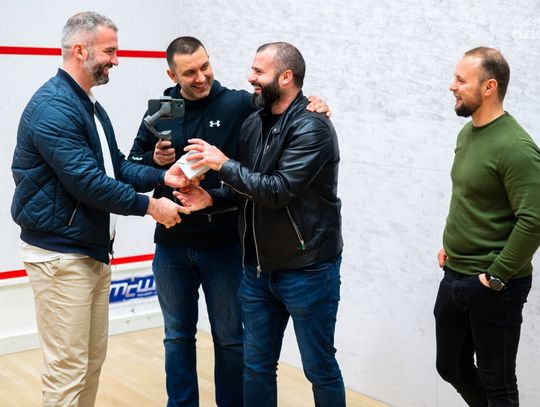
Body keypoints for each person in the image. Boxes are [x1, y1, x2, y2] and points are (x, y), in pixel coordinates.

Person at [128, 37, 330, 407]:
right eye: (190, 72)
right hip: (172, 244)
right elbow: (130, 168)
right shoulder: (163, 110)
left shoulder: (238, 103)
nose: (201, 77)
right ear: (172, 76)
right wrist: (155, 164)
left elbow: (283, 102)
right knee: (177, 338)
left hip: (224, 244)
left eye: (205, 66)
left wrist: (314, 102)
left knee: (231, 341)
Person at [10, 12, 191, 407]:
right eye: (109, 51)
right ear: (80, 50)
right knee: (67, 372)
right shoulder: (54, 107)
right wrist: (151, 207)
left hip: (88, 253)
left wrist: (164, 176)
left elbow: (116, 168)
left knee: (89, 364)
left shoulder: (87, 103)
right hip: (61, 258)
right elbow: (87, 182)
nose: (116, 60)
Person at [435, 47, 540, 406]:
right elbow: (468, 196)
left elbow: (534, 219)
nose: (452, 86)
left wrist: (496, 276)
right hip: (454, 273)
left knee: (498, 383)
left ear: (489, 87)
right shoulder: (467, 134)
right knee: (450, 365)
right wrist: (452, 243)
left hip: (495, 286)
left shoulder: (516, 147)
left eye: (461, 80)